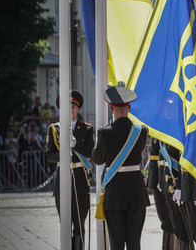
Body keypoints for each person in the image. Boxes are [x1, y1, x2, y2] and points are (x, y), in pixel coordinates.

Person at [92, 86, 150, 250]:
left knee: (116, 244)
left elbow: (97, 159)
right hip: (136, 191)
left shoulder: (105, 132)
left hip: (115, 190)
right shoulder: (141, 131)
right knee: (134, 243)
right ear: (129, 108)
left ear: (112, 108)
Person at [46, 90, 94, 250]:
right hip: (62, 179)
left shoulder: (86, 129)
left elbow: (91, 152)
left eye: (74, 106)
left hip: (80, 180)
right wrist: (64, 154)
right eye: (68, 106)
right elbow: (50, 155)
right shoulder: (54, 129)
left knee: (80, 223)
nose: (71, 109)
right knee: (65, 223)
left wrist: (76, 145)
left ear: (78, 108)